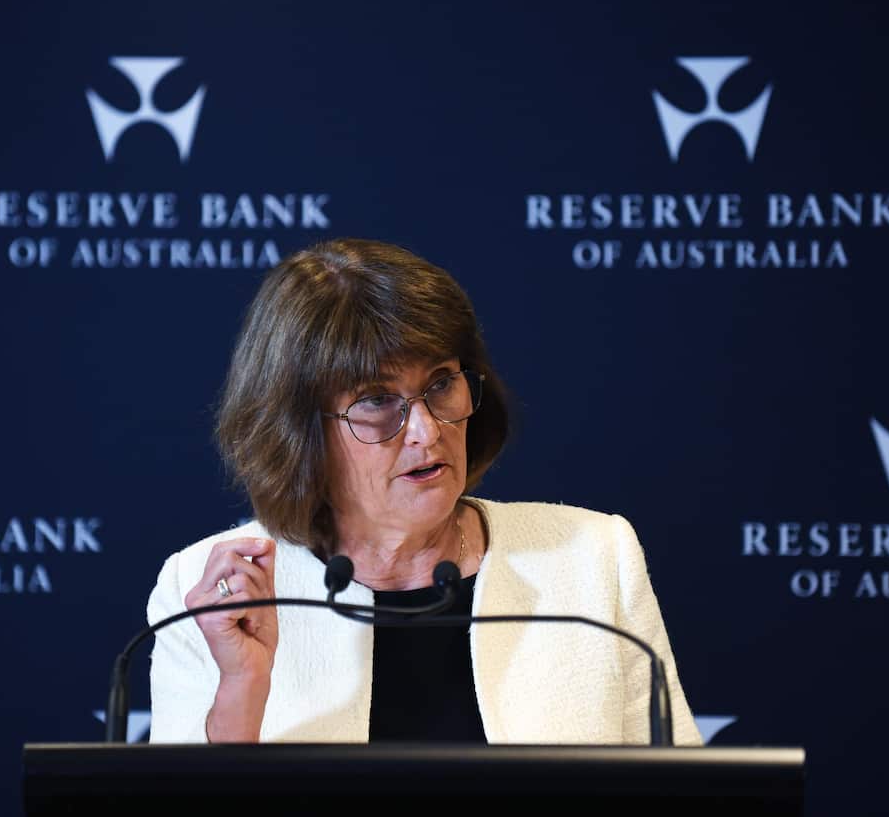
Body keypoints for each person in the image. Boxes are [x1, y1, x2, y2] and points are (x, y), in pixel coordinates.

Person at [147, 238, 702, 745]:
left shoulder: (593, 559)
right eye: (376, 399)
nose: (426, 431)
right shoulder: (212, 593)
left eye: (441, 383)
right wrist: (242, 686)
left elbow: (680, 794)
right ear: (299, 430)